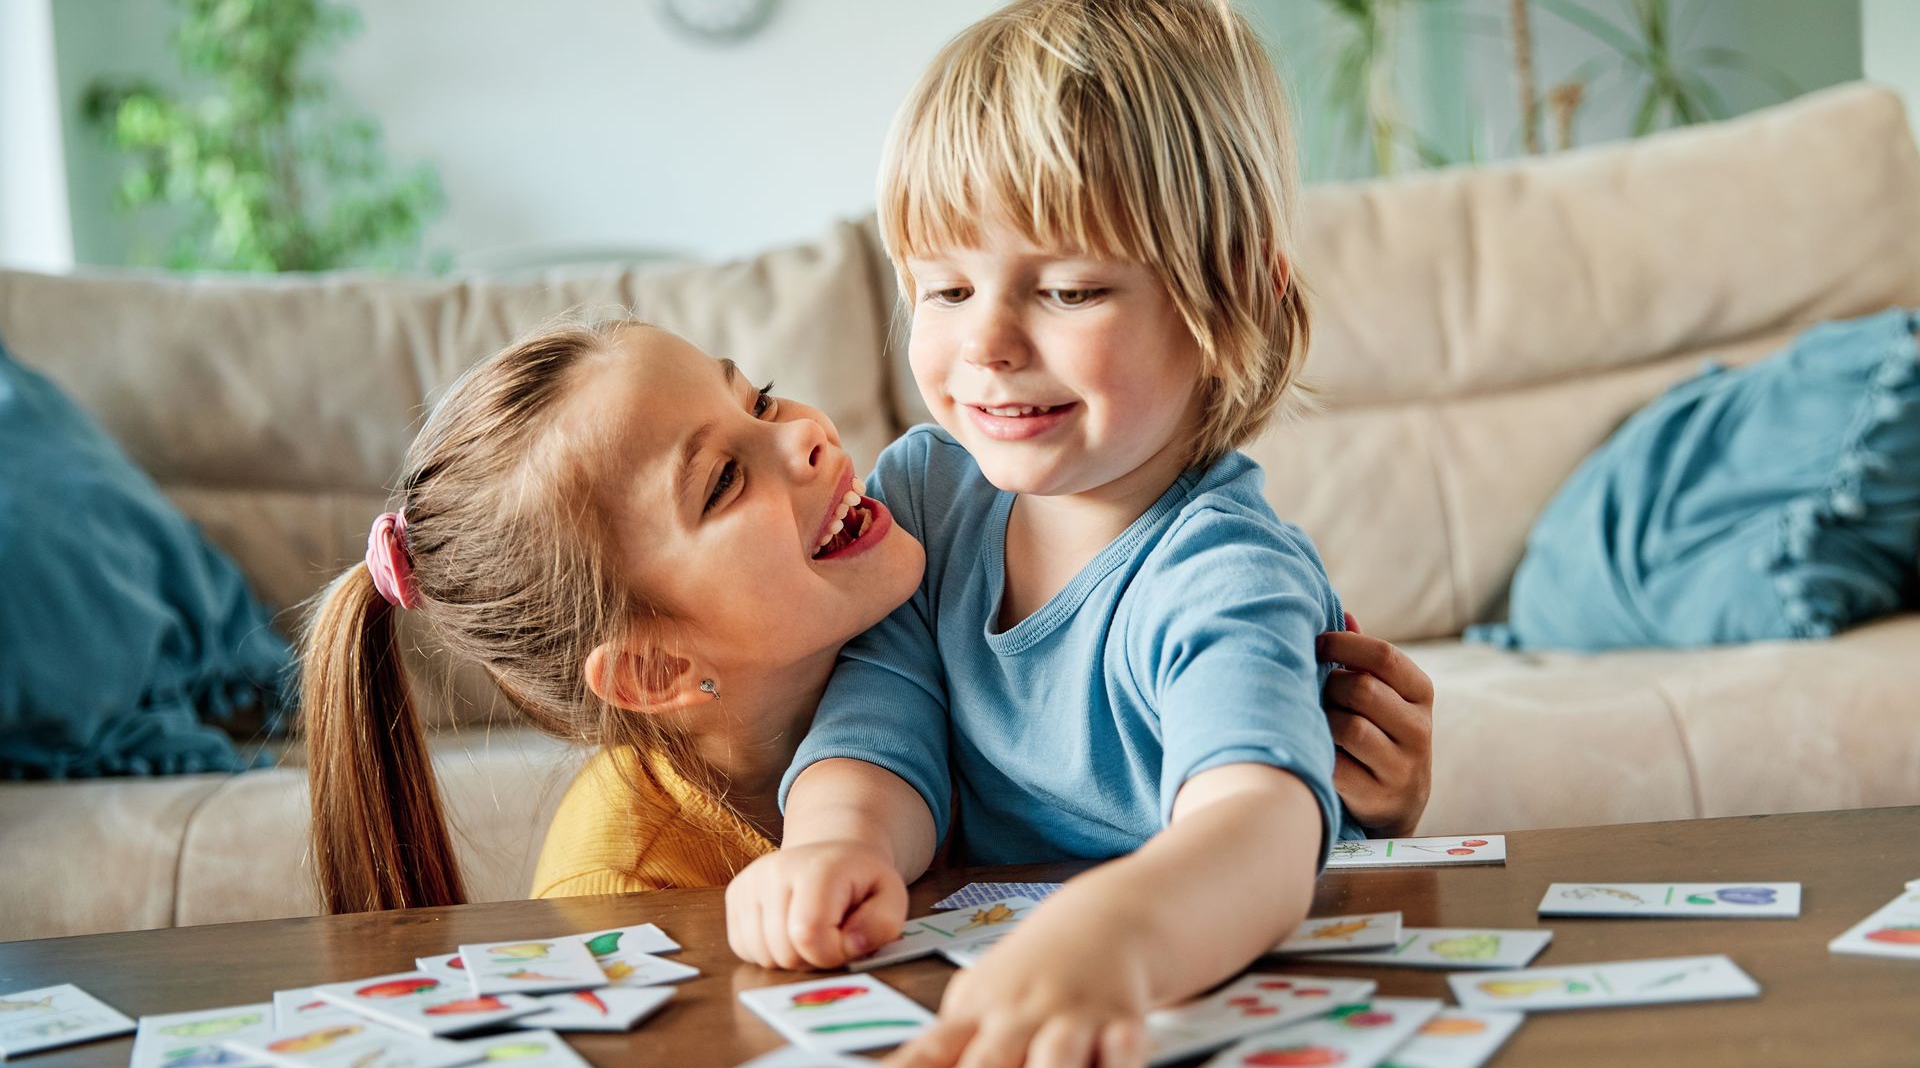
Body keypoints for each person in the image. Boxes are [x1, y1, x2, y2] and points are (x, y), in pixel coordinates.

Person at [723, 0, 1400, 1064]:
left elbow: (1261, 826)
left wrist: (1115, 940)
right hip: (992, 994)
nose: (985, 342)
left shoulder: (1224, 567)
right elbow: (883, 718)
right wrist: (837, 845)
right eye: (943, 288)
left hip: (1182, 996)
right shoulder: (928, 494)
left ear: (1236, 308)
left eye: (1072, 289)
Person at [301, 320, 1430, 914]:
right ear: (649, 669)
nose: (804, 437)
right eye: (722, 481)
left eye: (758, 395)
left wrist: (1348, 797)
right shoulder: (626, 882)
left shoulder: (964, 589)